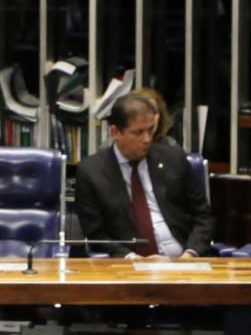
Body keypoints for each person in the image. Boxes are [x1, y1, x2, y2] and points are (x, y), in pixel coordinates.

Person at [70, 90, 212, 257]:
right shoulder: (92, 172)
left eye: (150, 130)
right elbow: (96, 235)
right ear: (115, 132)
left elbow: (203, 216)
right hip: (130, 264)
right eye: (138, 132)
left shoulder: (173, 158)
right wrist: (133, 259)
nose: (147, 139)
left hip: (184, 260)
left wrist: (191, 253)